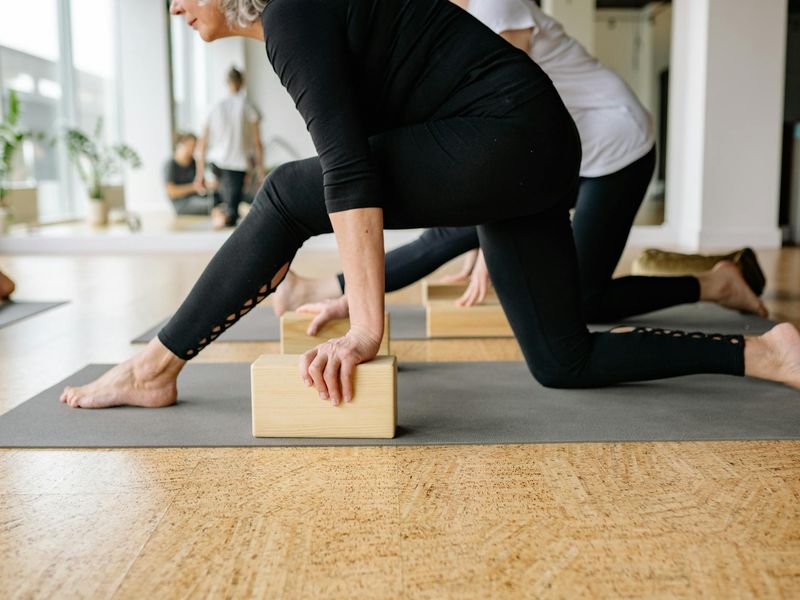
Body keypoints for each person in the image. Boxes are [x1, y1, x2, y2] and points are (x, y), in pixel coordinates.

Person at [60, 0, 800, 410]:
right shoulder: (295, 21)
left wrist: (365, 327)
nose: (176, 9)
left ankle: (153, 367)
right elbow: (385, 164)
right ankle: (765, 353)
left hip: (512, 136)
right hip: (529, 142)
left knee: (287, 190)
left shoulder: (293, 16)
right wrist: (357, 294)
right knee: (562, 359)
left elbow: (350, 177)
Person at [271, 0, 767, 330]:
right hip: (555, 157)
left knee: (584, 301)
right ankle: (330, 289)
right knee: (446, 235)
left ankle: (716, 283)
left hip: (613, 145)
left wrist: (495, 228)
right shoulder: (435, 11)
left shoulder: (495, 1)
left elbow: (506, 113)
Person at [195, 67, 264, 229]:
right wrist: (260, 170)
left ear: (227, 83)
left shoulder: (214, 106)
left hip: (215, 163)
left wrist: (199, 174)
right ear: (242, 83)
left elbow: (202, 143)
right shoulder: (248, 106)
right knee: (232, 213)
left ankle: (218, 215)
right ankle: (222, 217)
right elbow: (257, 143)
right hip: (236, 165)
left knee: (223, 203)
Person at [164, 132, 223, 219]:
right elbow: (171, 192)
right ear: (183, 144)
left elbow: (200, 184)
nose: (194, 149)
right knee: (211, 204)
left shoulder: (193, 162)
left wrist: (209, 185)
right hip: (182, 204)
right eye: (192, 146)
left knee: (219, 197)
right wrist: (193, 187)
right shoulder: (171, 164)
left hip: (196, 197)